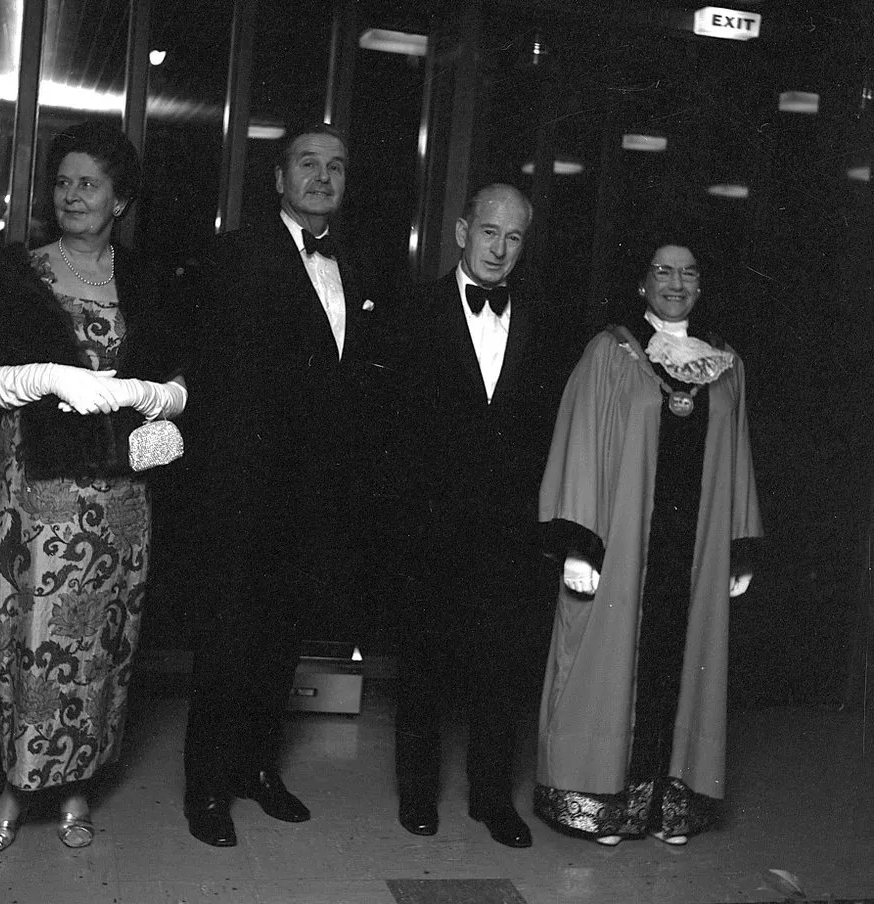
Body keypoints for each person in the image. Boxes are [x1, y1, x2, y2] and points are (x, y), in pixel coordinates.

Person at [0, 121, 188, 854]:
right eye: (62, 181)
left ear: (120, 198)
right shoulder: (14, 272)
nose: (71, 195)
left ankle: (76, 781)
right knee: (24, 642)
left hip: (118, 501)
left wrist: (160, 398)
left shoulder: (148, 281)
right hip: (30, 491)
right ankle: (12, 786)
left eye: (89, 183)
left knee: (98, 645)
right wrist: (45, 377)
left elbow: (182, 383)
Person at [183, 122, 387, 847]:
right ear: (278, 178)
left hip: (315, 494)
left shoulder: (358, 261)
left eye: (336, 165)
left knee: (278, 643)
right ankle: (205, 788)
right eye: (308, 163)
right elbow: (219, 380)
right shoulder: (235, 255)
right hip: (245, 488)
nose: (322, 176)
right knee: (227, 641)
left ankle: (256, 771)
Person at [533, 240, 763, 845]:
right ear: (642, 281)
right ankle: (603, 805)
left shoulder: (726, 363)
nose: (676, 282)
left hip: (694, 552)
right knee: (606, 667)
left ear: (703, 283)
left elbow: (736, 455)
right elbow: (581, 441)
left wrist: (738, 545)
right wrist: (579, 543)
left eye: (689, 271)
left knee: (687, 665)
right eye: (663, 270)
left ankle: (667, 807)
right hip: (623, 547)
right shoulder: (611, 353)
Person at [393, 183, 556, 848]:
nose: (499, 248)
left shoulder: (545, 317)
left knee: (502, 668)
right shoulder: (412, 310)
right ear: (461, 230)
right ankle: (416, 795)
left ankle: (492, 798)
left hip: (510, 529)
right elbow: (391, 430)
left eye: (513, 237)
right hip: (430, 524)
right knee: (423, 667)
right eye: (489, 231)